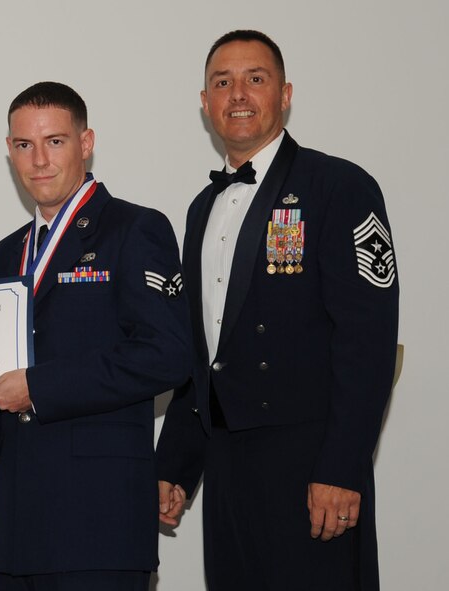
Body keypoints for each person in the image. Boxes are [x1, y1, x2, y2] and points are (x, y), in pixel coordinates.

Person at [156, 30, 399, 590]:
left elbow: (367, 341)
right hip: (227, 466)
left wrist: (342, 467)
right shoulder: (200, 209)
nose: (238, 94)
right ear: (205, 102)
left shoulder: (340, 186)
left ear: (285, 94)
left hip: (310, 463)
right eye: (223, 82)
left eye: (255, 79)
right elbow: (203, 350)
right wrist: (175, 464)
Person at [0, 81, 193, 590]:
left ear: (86, 142)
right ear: (9, 150)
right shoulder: (5, 253)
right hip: (21, 527)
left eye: (54, 141)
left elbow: (167, 354)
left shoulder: (135, 229)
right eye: (24, 145)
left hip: (101, 523)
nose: (39, 160)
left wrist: (39, 387)